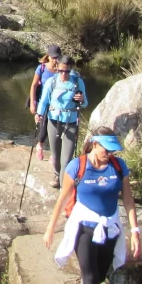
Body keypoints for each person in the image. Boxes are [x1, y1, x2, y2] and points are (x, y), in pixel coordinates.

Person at [43, 128, 140, 284]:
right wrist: (50, 228)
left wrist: (135, 231)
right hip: (84, 226)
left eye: (112, 149)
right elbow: (63, 198)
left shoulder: (119, 167)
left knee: (98, 277)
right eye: (106, 148)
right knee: (88, 277)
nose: (109, 153)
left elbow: (127, 199)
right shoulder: (78, 166)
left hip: (109, 227)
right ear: (94, 144)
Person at [35, 54, 87, 188]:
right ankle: (57, 174)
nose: (64, 74)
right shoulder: (51, 82)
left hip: (70, 123)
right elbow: (44, 101)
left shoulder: (77, 82)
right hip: (53, 122)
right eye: (61, 71)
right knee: (56, 157)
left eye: (67, 71)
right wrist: (39, 114)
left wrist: (81, 100)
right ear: (57, 68)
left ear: (71, 69)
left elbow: (85, 103)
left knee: (67, 160)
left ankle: (64, 190)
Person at [28, 45, 62, 162]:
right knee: (43, 128)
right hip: (43, 103)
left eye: (57, 57)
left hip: (57, 104)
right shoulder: (41, 68)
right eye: (53, 57)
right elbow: (33, 86)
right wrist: (33, 104)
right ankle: (40, 146)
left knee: (57, 128)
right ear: (48, 56)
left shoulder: (62, 69)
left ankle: (54, 152)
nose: (55, 60)